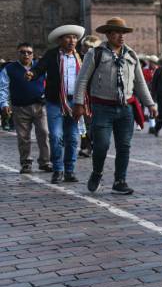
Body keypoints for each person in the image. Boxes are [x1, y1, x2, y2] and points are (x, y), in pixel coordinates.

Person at [73, 17, 157, 195]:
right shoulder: (95, 53)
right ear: (109, 34)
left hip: (126, 108)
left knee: (124, 146)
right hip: (102, 107)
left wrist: (150, 104)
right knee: (101, 145)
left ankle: (120, 180)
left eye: (123, 33)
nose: (122, 36)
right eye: (118, 33)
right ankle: (97, 173)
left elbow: (140, 83)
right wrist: (79, 103)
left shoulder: (131, 55)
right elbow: (82, 80)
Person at [26, 25, 85, 184]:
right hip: (55, 101)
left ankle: (69, 171)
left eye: (74, 37)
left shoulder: (80, 57)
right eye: (68, 37)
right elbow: (39, 68)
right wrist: (32, 73)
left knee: (72, 138)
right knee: (56, 136)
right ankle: (58, 170)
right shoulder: (52, 55)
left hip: (75, 102)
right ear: (60, 40)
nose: (72, 40)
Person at [0, 42, 52, 173]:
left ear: (33, 54)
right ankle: (26, 163)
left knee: (44, 133)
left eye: (29, 52)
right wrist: (4, 104)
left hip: (39, 105)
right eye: (23, 52)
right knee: (23, 137)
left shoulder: (39, 67)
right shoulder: (9, 69)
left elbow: (49, 83)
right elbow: (3, 88)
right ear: (18, 53)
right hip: (20, 107)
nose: (26, 55)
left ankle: (45, 161)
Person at [77, 35, 102, 158]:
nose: (86, 49)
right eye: (85, 46)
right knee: (83, 124)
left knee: (94, 123)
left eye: (90, 47)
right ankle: (85, 146)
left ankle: (93, 144)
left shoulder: (99, 60)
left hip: (95, 95)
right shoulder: (77, 58)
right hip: (82, 95)